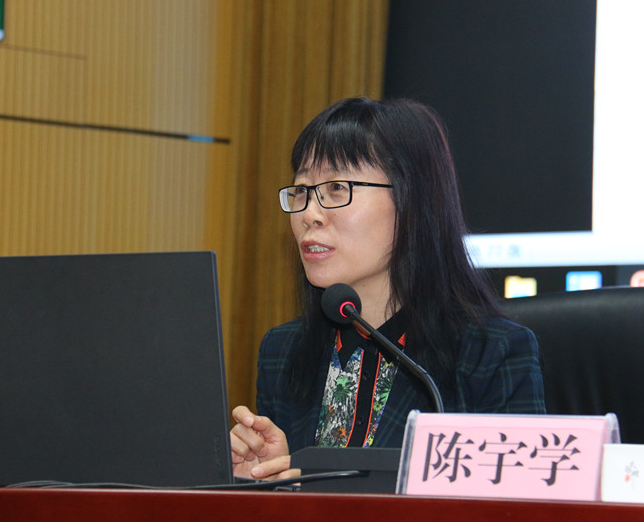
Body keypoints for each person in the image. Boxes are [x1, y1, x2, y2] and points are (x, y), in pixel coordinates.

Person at [230, 97, 545, 481]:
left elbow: (518, 502)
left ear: (411, 198)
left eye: (337, 187)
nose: (310, 214)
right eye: (302, 190)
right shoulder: (283, 352)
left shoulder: (490, 353)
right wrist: (268, 484)